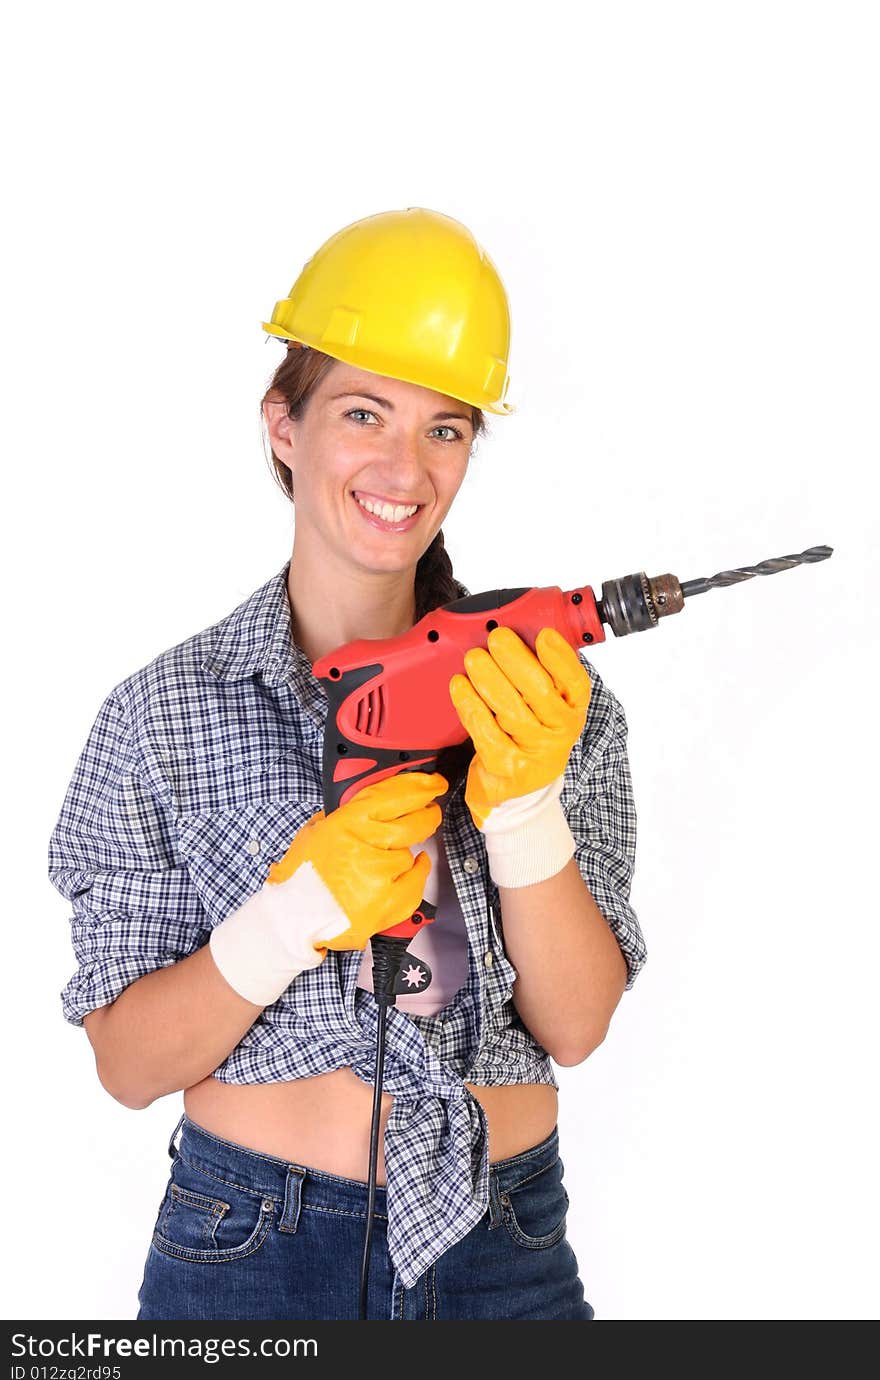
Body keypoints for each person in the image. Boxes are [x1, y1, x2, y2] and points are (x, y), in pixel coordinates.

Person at [48, 207, 646, 1321]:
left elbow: (574, 1024)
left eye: (445, 429)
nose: (401, 467)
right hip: (251, 1243)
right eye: (362, 412)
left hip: (502, 1238)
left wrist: (521, 814)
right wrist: (290, 914)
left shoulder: (549, 699)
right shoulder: (164, 715)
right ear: (284, 425)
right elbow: (128, 1066)